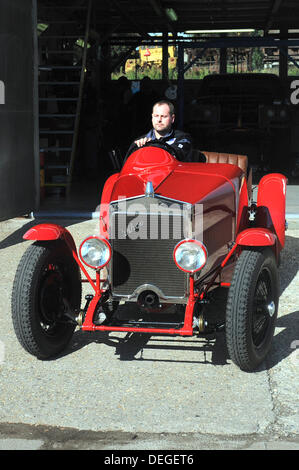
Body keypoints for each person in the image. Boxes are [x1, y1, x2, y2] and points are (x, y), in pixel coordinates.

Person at [125, 100, 193, 162]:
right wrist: (138, 148)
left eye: (164, 116)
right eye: (156, 116)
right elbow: (127, 167)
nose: (159, 120)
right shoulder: (139, 142)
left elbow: (177, 154)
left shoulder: (182, 138)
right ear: (152, 117)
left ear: (172, 119)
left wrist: (149, 146)